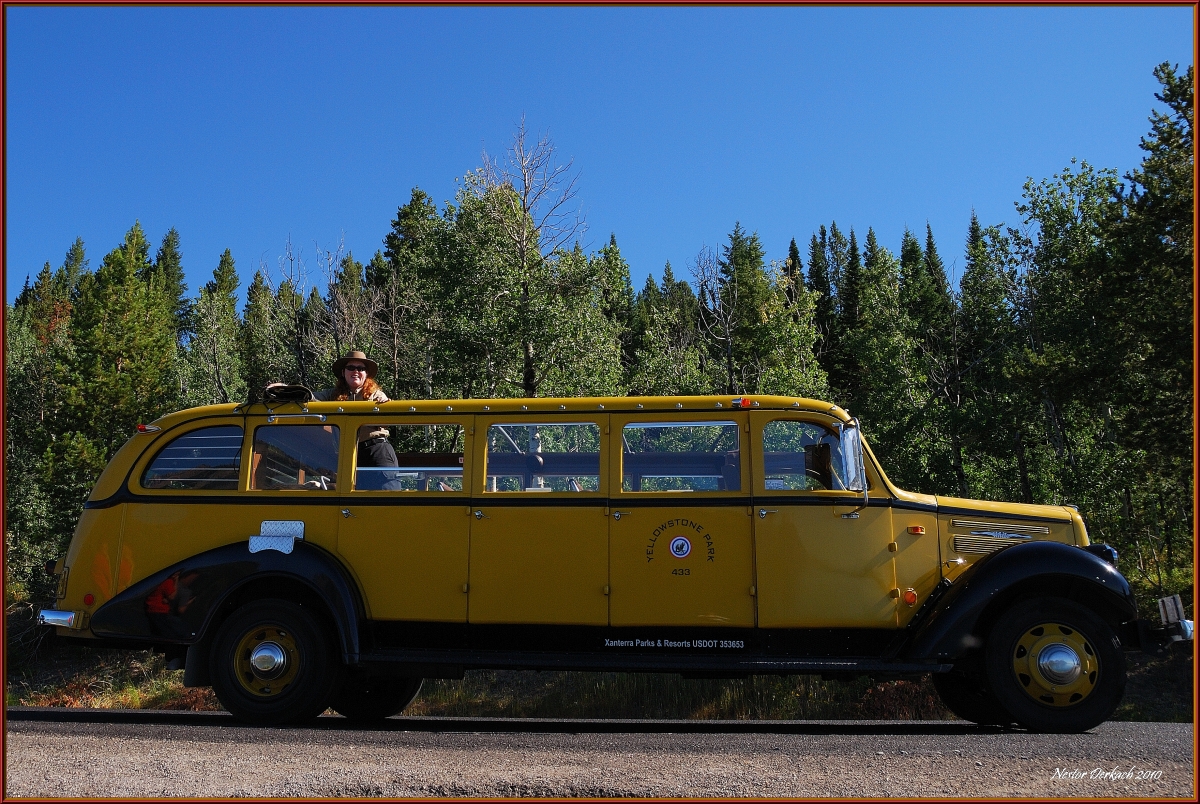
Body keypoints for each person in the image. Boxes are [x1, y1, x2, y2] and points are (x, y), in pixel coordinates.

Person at [311, 351, 399, 477]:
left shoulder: (376, 395)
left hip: (376, 451)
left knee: (385, 493)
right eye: (351, 368)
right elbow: (308, 397)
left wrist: (385, 407)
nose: (355, 371)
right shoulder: (331, 395)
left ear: (366, 373)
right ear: (343, 372)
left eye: (361, 368)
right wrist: (284, 389)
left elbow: (389, 419)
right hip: (347, 456)